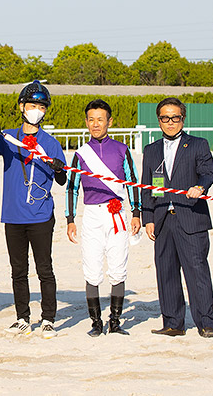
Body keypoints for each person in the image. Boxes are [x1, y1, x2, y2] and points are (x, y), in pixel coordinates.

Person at [0, 81, 66, 338]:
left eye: (41, 106)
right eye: (32, 105)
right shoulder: (8, 137)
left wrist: (58, 168)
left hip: (41, 215)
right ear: (21, 106)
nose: (37, 110)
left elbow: (63, 180)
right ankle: (22, 317)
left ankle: (48, 318)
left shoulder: (51, 143)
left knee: (45, 269)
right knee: (18, 270)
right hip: (13, 215)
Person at [141, 97, 213, 338]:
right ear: (159, 120)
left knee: (197, 271)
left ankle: (206, 323)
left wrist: (201, 187)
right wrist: (148, 218)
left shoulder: (198, 145)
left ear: (182, 119)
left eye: (175, 117)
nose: (170, 122)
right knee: (166, 272)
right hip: (163, 219)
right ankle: (173, 322)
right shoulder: (151, 150)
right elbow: (146, 186)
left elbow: (207, 173)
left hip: (191, 217)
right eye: (165, 118)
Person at [65, 99, 141, 336]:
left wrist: (136, 212)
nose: (96, 124)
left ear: (109, 121)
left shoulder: (122, 150)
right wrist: (70, 218)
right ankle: (96, 322)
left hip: (117, 213)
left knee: (118, 267)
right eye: (91, 119)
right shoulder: (80, 154)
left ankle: (115, 321)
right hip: (92, 215)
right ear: (86, 122)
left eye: (101, 119)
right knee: (92, 268)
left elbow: (132, 182)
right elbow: (72, 187)